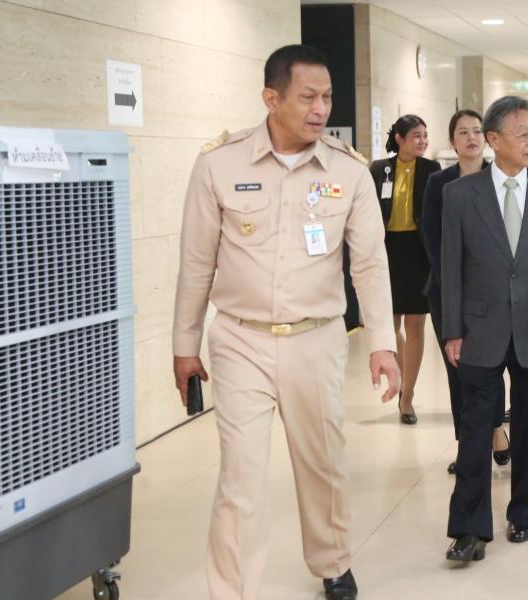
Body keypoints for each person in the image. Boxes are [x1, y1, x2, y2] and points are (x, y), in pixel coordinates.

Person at [171, 44, 400, 600]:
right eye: (308, 97)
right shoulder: (219, 164)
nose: (321, 109)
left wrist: (382, 342)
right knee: (240, 475)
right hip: (240, 339)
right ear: (271, 98)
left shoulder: (348, 170)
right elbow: (196, 261)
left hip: (315, 338)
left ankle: (332, 561)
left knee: (323, 464)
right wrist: (184, 344)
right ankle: (232, 590)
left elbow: (370, 264)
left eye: (327, 97)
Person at [441, 96, 528, 563]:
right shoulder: (460, 195)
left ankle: (523, 513)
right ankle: (469, 529)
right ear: (494, 139)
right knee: (475, 431)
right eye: (522, 134)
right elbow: (451, 268)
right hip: (479, 329)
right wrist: (452, 330)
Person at [420, 109, 509, 474]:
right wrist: (454, 284)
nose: (471, 138)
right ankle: (467, 446)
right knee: (458, 371)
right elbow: (431, 236)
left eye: (477, 131)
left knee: (490, 367)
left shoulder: (500, 178)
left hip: (492, 295)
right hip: (447, 292)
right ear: (452, 141)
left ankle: (497, 428)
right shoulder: (438, 183)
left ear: (487, 138)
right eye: (463, 132)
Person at [369, 116, 441, 425]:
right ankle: (399, 377)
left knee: (415, 324)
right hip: (387, 251)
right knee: (391, 324)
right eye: (416, 136)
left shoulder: (432, 169)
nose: (423, 141)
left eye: (425, 135)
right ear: (399, 139)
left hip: (418, 251)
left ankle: (407, 396)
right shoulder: (379, 169)